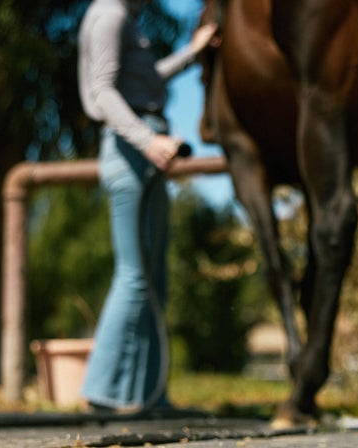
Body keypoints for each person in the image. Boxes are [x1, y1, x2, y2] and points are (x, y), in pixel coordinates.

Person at [77, 0, 215, 411]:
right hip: (132, 150)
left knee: (154, 278)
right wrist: (147, 140)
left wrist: (193, 53)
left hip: (145, 146)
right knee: (135, 276)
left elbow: (147, 79)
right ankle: (101, 394)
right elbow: (102, 91)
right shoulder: (110, 14)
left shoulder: (127, 18)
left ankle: (148, 395)